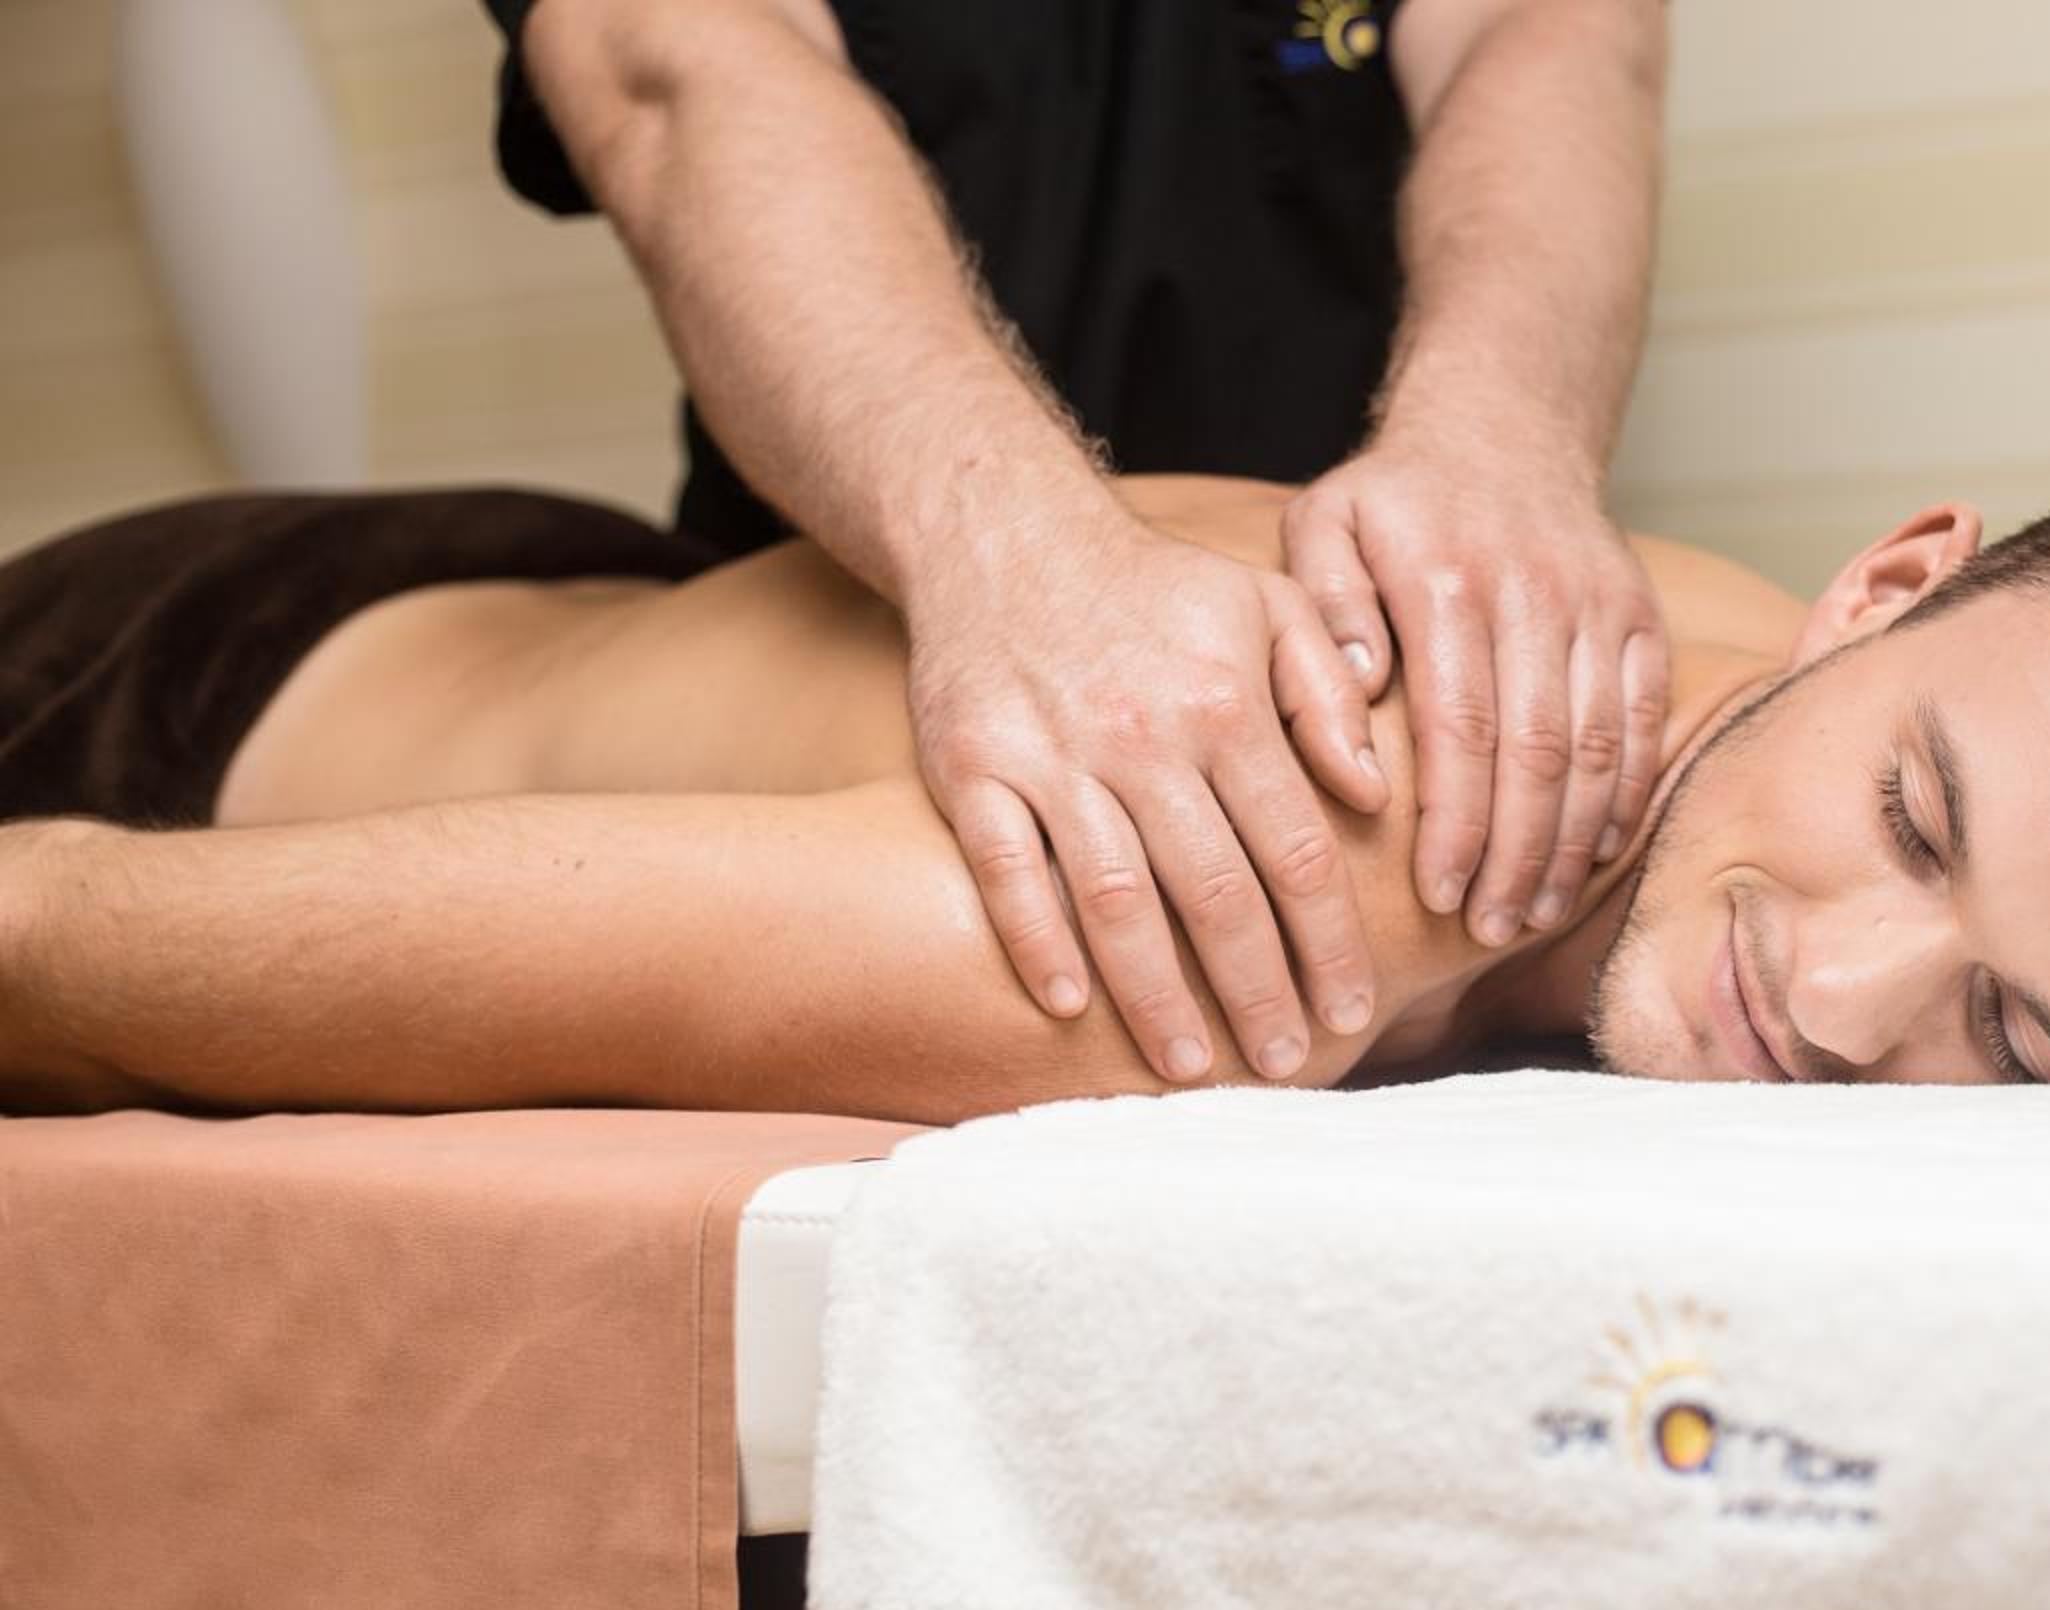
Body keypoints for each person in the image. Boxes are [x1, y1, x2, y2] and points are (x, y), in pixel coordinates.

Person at [0, 432, 2050, 1117]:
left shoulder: (1764, 686)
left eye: (2014, 1037)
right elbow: (103, 946)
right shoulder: (1314, 871)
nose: (1835, 996)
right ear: (1888, 581)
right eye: (1913, 822)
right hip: (189, 681)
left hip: (589, 591)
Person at [482, 0, 1679, 1107]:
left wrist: (1501, 435)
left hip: (1356, 604)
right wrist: (1005, 550)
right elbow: (674, 63)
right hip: (821, 603)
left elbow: (1543, 28)